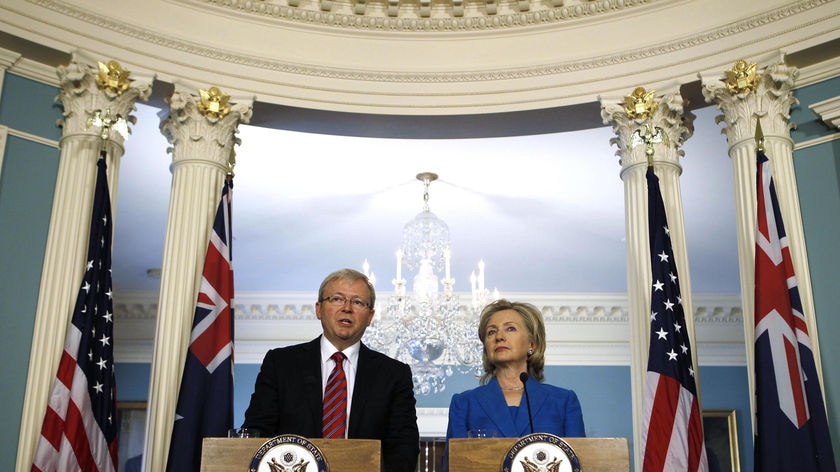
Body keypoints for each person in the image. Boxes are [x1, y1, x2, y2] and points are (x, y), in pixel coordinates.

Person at [241, 268, 420, 472]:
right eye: (337, 299)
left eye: (358, 302)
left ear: (370, 316)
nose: (347, 308)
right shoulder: (281, 364)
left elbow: (404, 449)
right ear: (318, 309)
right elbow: (256, 436)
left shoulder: (394, 374)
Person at [445, 299, 585, 462]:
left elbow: (577, 464)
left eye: (510, 328)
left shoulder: (563, 402)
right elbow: (453, 466)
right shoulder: (464, 404)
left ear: (531, 344)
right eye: (491, 332)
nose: (499, 337)